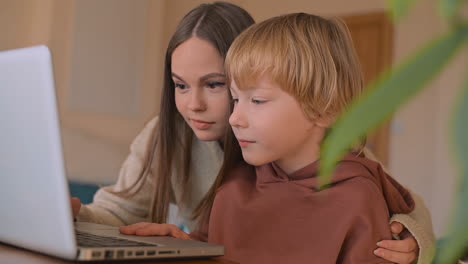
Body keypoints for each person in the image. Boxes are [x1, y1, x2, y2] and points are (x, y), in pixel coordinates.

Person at [72, 2, 433, 263]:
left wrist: (413, 239)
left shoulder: (346, 178)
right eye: (180, 85)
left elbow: (399, 199)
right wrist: (186, 246)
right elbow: (120, 209)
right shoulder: (216, 175)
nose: (194, 105)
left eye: (214, 85)